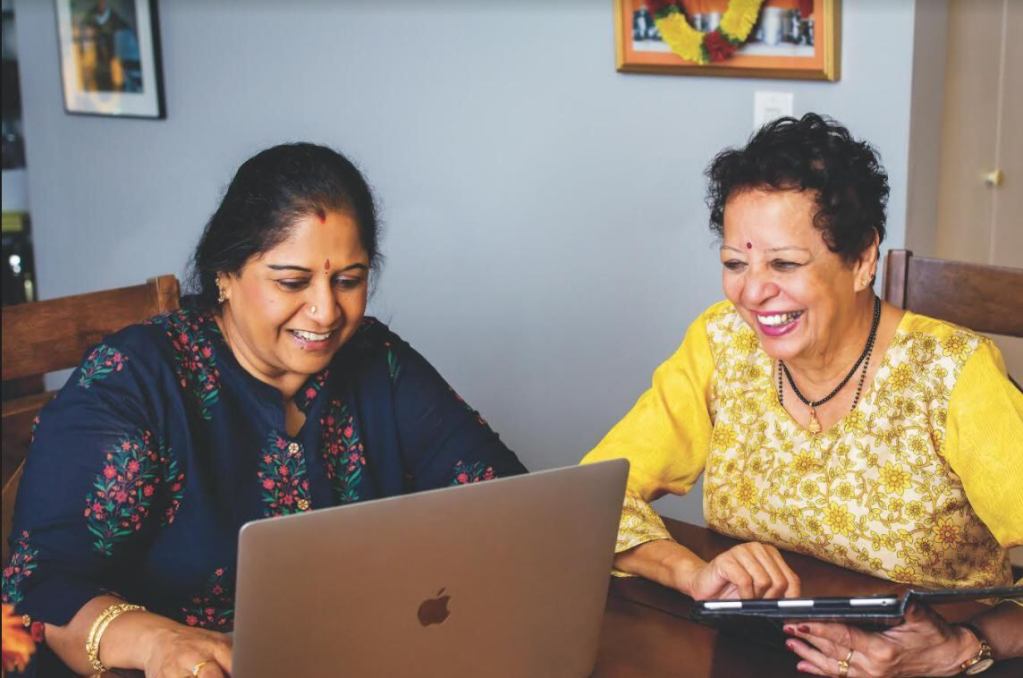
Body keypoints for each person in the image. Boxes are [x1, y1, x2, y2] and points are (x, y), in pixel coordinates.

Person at [1, 143, 527, 676]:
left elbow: (504, 497)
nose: (325, 312)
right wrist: (158, 643)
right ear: (224, 276)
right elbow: (41, 588)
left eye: (348, 280)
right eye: (292, 282)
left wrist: (603, 541)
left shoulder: (377, 362)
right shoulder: (135, 382)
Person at [582, 113, 1022, 676]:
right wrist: (691, 574)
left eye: (785, 263)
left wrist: (962, 645)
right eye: (735, 263)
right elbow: (596, 498)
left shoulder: (953, 374)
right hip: (751, 652)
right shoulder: (720, 344)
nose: (754, 291)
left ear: (863, 259)